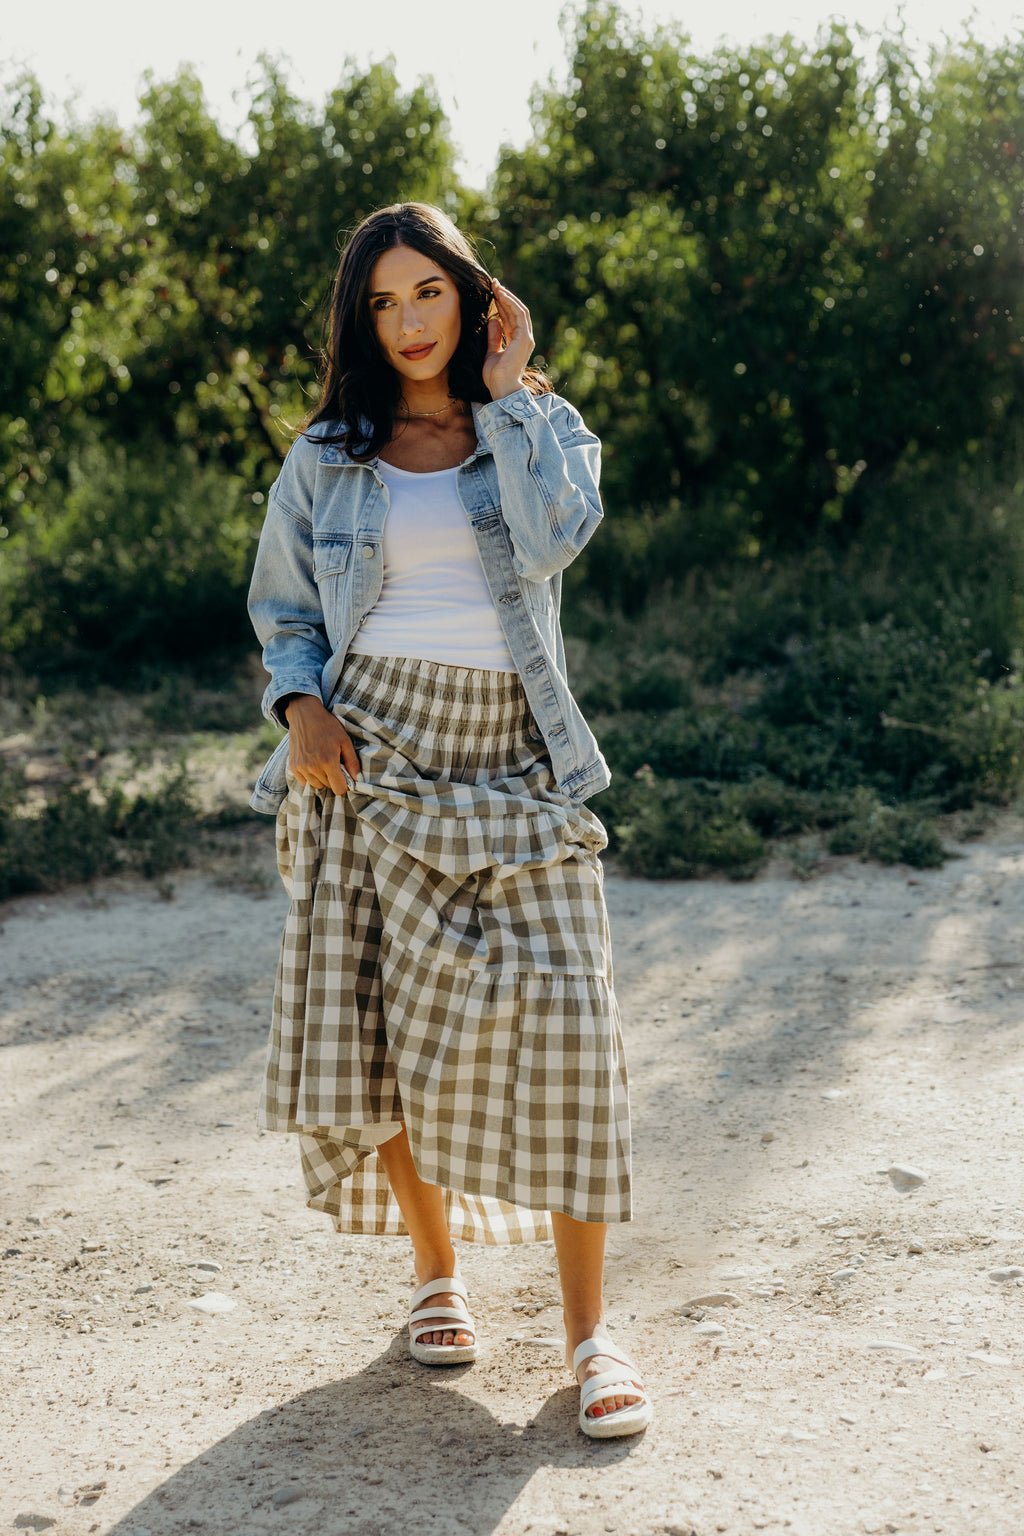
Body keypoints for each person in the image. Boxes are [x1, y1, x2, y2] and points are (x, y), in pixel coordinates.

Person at [247, 202, 650, 1439]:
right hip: (376, 759)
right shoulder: (331, 451)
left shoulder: (536, 429)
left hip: (517, 763)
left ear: (471, 297)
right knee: (392, 1035)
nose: (409, 321)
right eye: (384, 302)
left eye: (429, 292)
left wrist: (512, 389)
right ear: (362, 320)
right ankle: (437, 1277)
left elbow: (553, 540)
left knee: (574, 1024)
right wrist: (301, 704)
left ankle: (590, 1337)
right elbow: (284, 603)